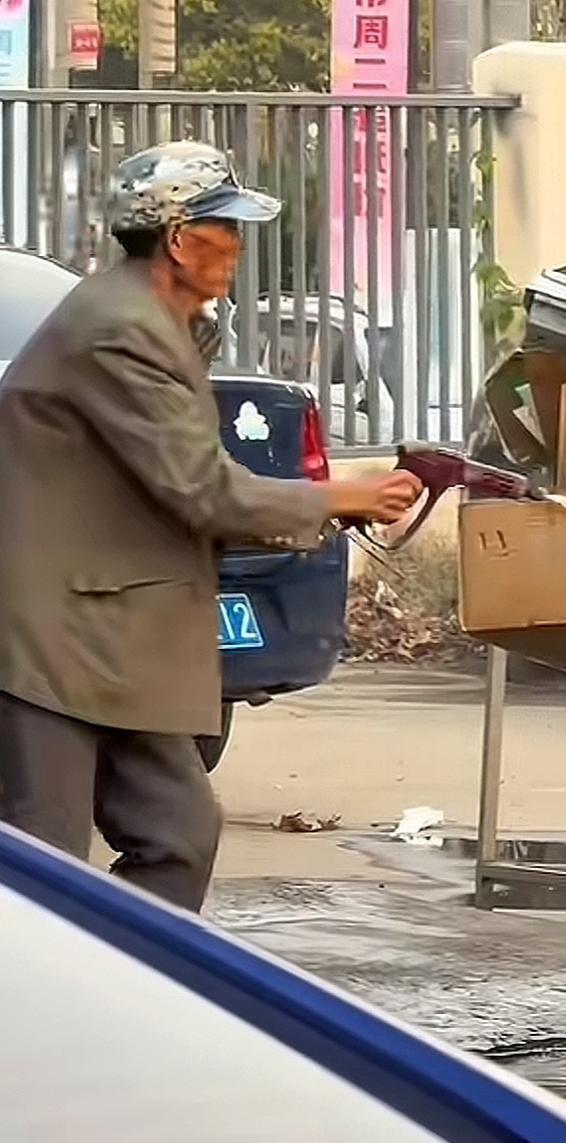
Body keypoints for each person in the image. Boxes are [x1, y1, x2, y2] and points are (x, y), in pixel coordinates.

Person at [0, 141, 422, 911]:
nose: (236, 247)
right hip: (48, 640)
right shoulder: (117, 329)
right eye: (225, 228)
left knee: (179, 835)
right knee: (41, 870)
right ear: (176, 237)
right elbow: (200, 487)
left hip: (119, 633)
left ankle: (126, 993)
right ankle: (40, 1018)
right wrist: (339, 499)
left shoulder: (163, 325)